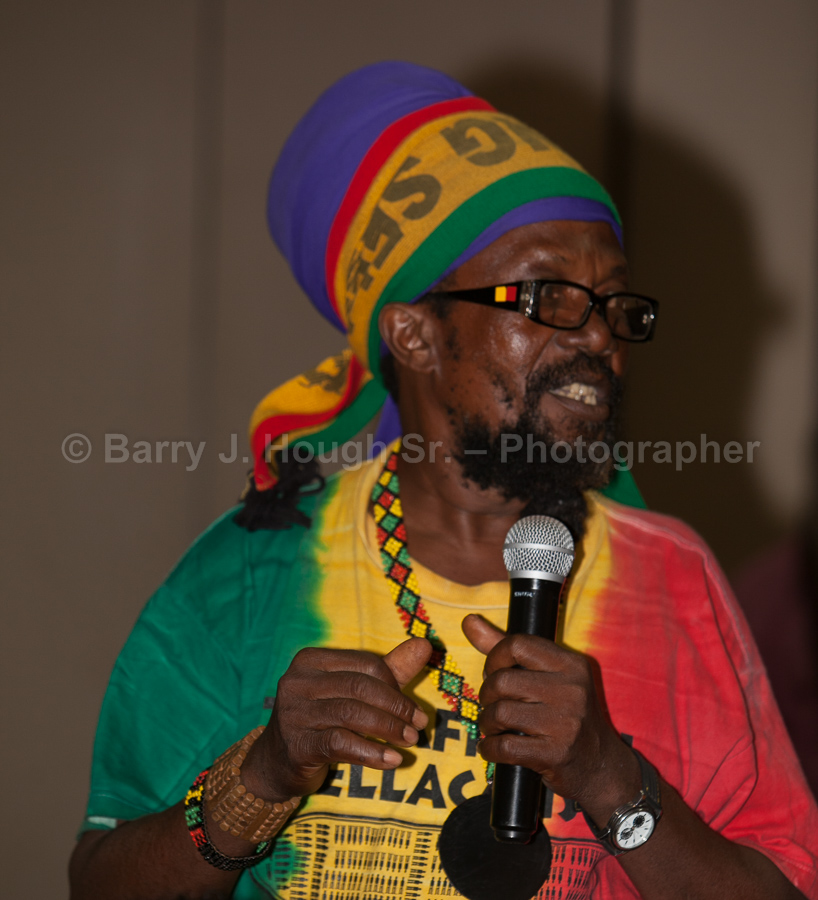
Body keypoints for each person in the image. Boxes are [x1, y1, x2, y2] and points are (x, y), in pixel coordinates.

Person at [70, 62, 818, 900]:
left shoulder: (672, 582)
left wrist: (610, 778)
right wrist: (263, 777)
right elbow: (102, 883)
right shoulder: (254, 574)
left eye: (615, 306)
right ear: (415, 335)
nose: (599, 339)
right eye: (549, 297)